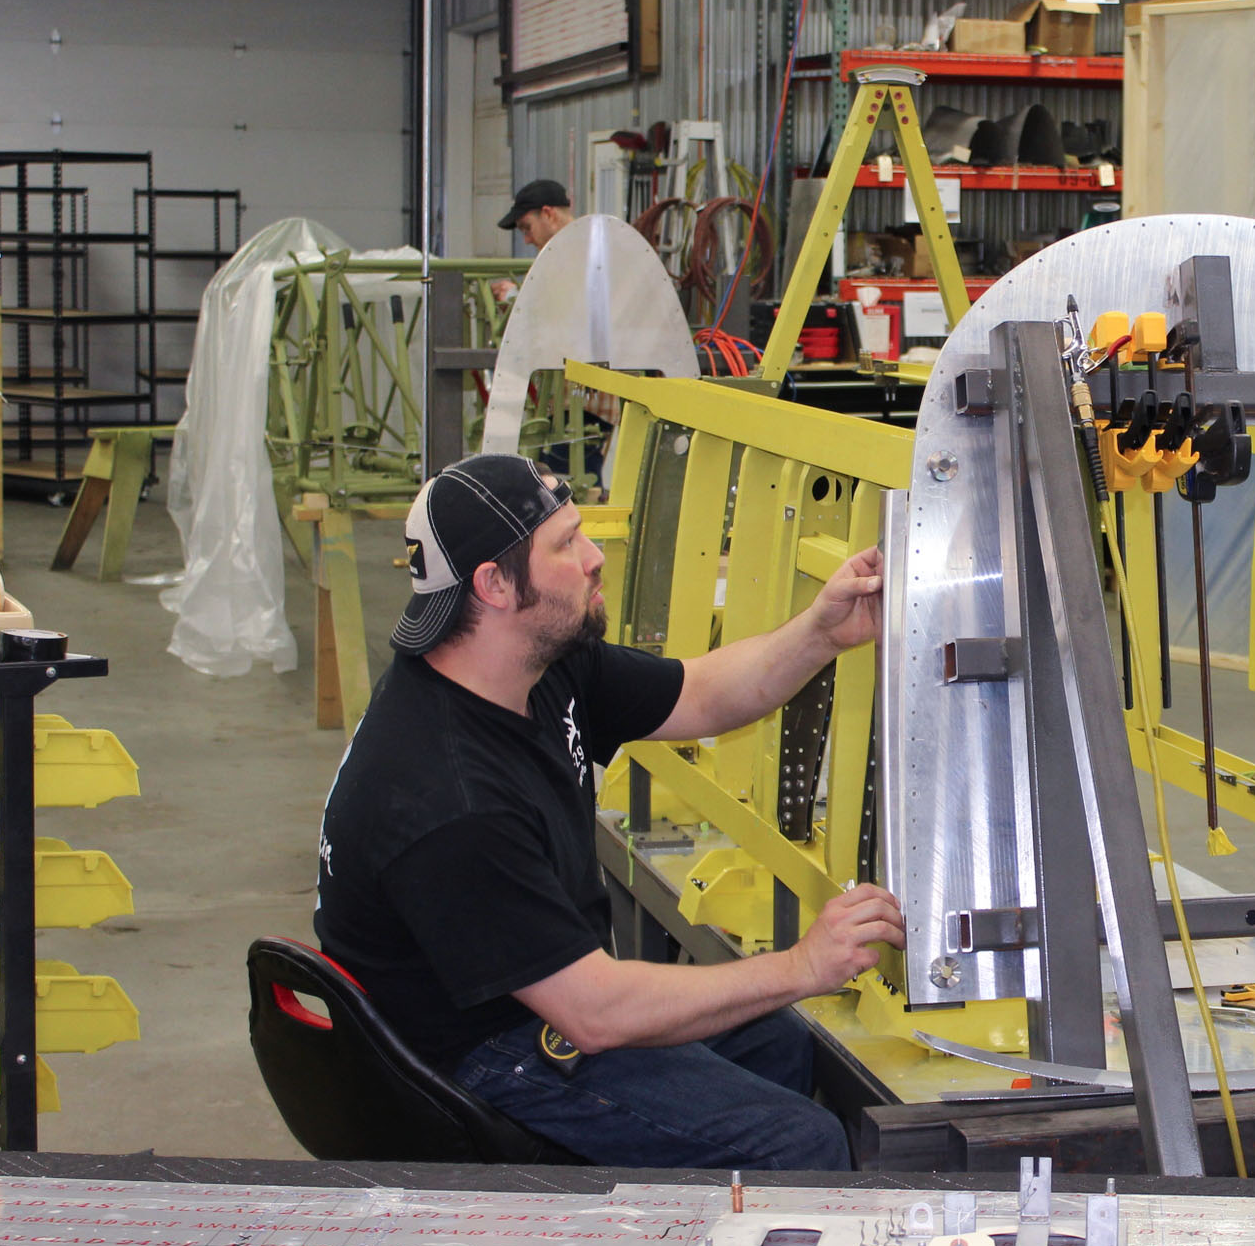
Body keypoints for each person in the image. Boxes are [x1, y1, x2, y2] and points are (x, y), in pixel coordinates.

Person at [314, 452, 904, 1169]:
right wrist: (804, 964)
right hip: (479, 1052)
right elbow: (595, 1011)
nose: (595, 557)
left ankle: (695, 1243)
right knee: (801, 1142)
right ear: (494, 585)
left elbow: (701, 694)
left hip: (537, 996)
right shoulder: (447, 796)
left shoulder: (530, 664)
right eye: (566, 544)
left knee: (774, 1041)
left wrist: (821, 630)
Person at [491, 179, 575, 307]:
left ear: (548, 214)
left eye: (527, 227)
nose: (527, 240)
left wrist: (513, 297)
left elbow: (561, 310)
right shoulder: (586, 246)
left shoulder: (580, 255)